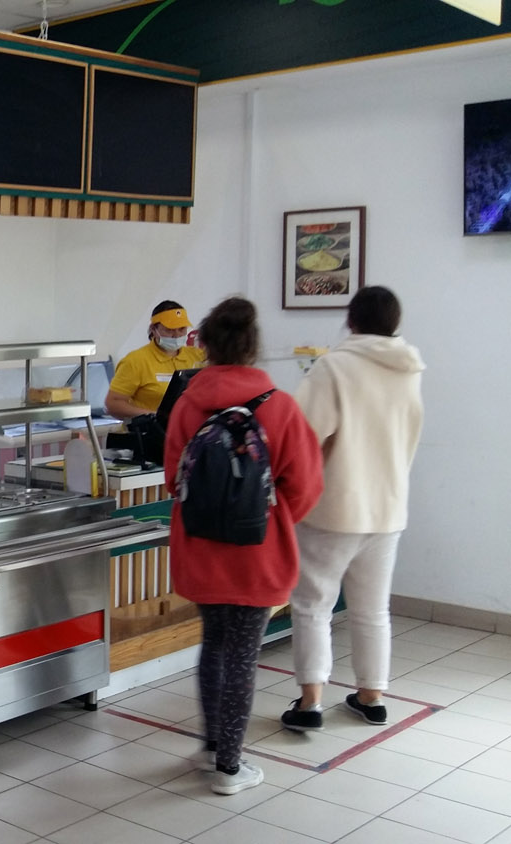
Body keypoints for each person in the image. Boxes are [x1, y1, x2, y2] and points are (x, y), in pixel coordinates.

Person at [164, 297, 322, 795]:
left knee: (213, 643)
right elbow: (306, 485)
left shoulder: (187, 404)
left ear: (206, 345)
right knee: (243, 655)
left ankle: (211, 746)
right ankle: (230, 769)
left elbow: (173, 478)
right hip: (259, 551)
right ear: (253, 347)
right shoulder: (281, 406)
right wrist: (272, 518)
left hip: (200, 549)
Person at [280, 287, 424, 731]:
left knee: (312, 605)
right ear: (395, 323)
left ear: (351, 320)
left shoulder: (334, 367)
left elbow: (303, 434)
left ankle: (310, 703)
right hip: (388, 506)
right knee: (372, 609)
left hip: (334, 507)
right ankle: (371, 697)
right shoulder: (409, 369)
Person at [106, 300, 207, 420]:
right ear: (154, 329)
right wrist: (153, 416)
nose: (176, 335)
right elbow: (113, 404)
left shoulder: (198, 356)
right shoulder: (135, 360)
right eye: (169, 330)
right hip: (151, 429)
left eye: (181, 329)